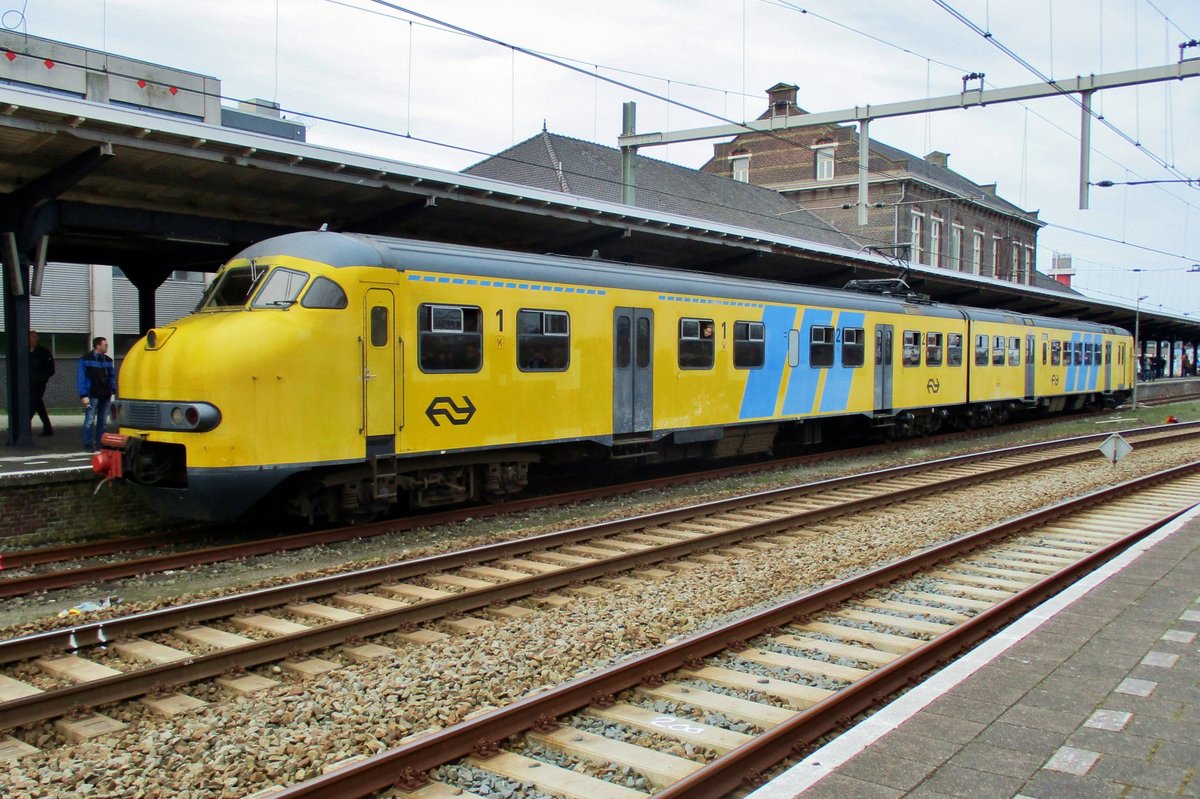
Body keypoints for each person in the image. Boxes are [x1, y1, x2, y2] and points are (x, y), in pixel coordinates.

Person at [76, 336, 117, 452]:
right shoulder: (86, 359)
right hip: (92, 393)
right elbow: (81, 377)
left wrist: (112, 388)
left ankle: (100, 444)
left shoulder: (108, 360)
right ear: (97, 345)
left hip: (105, 393)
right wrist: (83, 394)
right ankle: (88, 444)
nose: (107, 346)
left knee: (102, 421)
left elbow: (111, 376)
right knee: (90, 420)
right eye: (105, 344)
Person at [28, 330, 55, 436]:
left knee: (33, 403)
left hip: (39, 384)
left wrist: (43, 378)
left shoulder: (43, 352)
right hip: (27, 383)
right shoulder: (23, 351)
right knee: (38, 405)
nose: (36, 339)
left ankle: (23, 426)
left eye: (36, 337)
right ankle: (48, 429)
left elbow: (51, 369)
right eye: (33, 337)